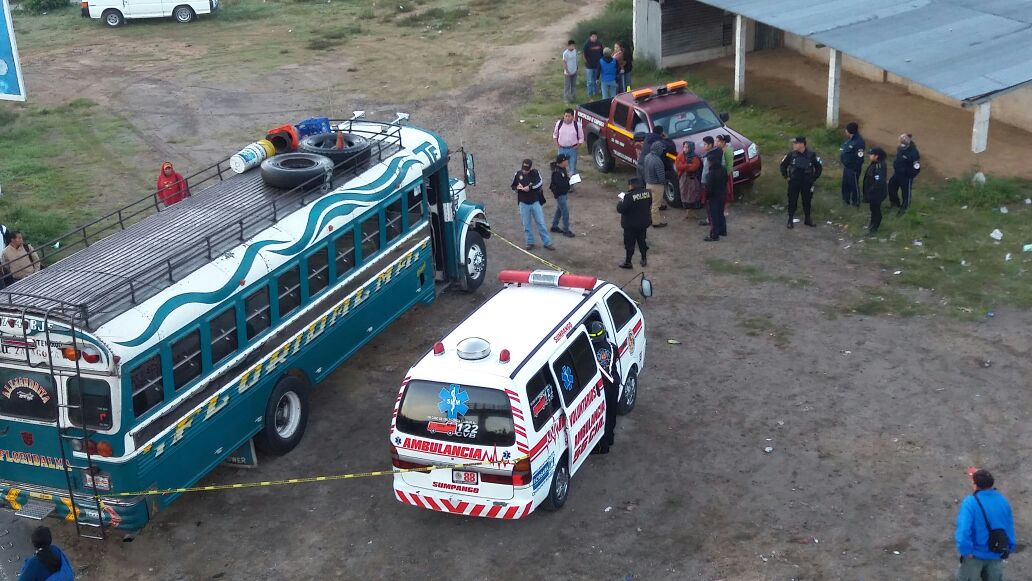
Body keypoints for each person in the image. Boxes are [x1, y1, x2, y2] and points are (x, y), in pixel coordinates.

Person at [955, 468, 1015, 581]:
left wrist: (966, 550)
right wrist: (1009, 547)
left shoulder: (970, 502)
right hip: (996, 553)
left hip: (975, 555)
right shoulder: (1003, 501)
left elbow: (964, 530)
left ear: (976, 485)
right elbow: (1009, 527)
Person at [588, 321, 619, 454]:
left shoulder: (589, 352)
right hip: (614, 384)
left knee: (602, 417)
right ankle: (610, 438)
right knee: (611, 413)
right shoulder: (612, 347)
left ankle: (603, 446)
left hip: (601, 389)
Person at [778, 136, 823, 229]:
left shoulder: (811, 155)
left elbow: (818, 167)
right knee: (792, 200)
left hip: (807, 182)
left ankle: (807, 219)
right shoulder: (791, 155)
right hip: (794, 181)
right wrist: (786, 176)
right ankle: (790, 220)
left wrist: (814, 178)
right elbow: (783, 165)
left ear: (802, 144)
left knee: (807, 201)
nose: (793, 145)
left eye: (796, 143)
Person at [510, 159, 555, 251]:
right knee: (526, 224)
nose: (524, 171)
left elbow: (539, 183)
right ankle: (529, 242)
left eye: (526, 169)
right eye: (523, 169)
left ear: (530, 168)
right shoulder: (518, 174)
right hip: (523, 203)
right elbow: (513, 186)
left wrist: (530, 187)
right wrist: (517, 188)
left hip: (535, 201)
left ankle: (547, 242)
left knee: (541, 223)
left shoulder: (535, 173)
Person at [617, 177, 651, 268]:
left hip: (630, 225)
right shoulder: (648, 193)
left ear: (632, 185)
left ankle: (628, 262)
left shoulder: (629, 196)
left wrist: (621, 200)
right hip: (643, 223)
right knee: (642, 241)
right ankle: (644, 259)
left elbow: (620, 209)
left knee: (629, 244)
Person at [888, 133, 921, 213]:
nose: (901, 146)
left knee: (906, 193)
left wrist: (909, 175)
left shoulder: (914, 153)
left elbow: (917, 168)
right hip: (897, 174)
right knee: (891, 187)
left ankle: (904, 209)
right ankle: (895, 203)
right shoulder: (900, 148)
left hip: (906, 176)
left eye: (903, 144)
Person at [702, 139, 728, 241]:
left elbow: (709, 188)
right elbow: (726, 180)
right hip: (722, 194)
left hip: (713, 197)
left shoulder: (710, 174)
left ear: (710, 162)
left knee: (713, 216)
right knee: (721, 213)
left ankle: (714, 235)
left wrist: (707, 197)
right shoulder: (723, 170)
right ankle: (723, 230)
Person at [642, 140, 668, 228]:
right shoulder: (658, 161)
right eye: (661, 149)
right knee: (655, 205)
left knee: (650, 203)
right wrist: (664, 183)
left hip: (648, 183)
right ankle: (656, 222)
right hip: (657, 185)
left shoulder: (647, 157)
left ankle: (650, 218)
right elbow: (661, 176)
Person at [839, 122, 865, 207]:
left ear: (849, 131)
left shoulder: (859, 142)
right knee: (845, 185)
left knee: (853, 185)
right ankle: (845, 201)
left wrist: (854, 168)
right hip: (847, 167)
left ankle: (856, 203)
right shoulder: (848, 140)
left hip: (853, 168)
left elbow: (860, 157)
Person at [548, 154, 575, 238]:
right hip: (560, 194)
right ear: (562, 162)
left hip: (563, 193)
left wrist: (567, 176)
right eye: (566, 160)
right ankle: (566, 230)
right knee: (565, 212)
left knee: (559, 210)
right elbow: (561, 184)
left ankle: (554, 226)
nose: (567, 161)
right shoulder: (557, 172)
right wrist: (569, 178)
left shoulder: (562, 169)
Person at [862, 147, 887, 234]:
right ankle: (872, 225)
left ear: (877, 156)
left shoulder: (879, 166)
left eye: (871, 154)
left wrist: (871, 191)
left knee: (876, 211)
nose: (869, 155)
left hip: (877, 193)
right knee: (873, 210)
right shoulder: (875, 163)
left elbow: (879, 182)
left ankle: (873, 229)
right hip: (874, 192)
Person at [553, 108, 583, 177]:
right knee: (560, 167)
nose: (567, 118)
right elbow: (555, 135)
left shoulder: (577, 125)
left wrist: (577, 146)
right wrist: (557, 144)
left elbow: (581, 138)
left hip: (572, 150)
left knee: (572, 169)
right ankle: (561, 184)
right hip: (561, 149)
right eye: (565, 116)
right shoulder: (559, 123)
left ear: (573, 117)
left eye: (569, 116)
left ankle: (571, 186)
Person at [675, 140, 703, 210]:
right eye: (684, 147)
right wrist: (687, 165)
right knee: (684, 191)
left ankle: (694, 205)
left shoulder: (695, 157)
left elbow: (694, 167)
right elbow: (678, 166)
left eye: (687, 147)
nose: (685, 149)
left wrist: (684, 166)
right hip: (683, 178)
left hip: (693, 178)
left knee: (693, 191)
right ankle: (686, 205)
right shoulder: (680, 155)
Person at [583, 32, 603, 99]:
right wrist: (587, 63)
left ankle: (596, 92)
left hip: (598, 65)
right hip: (589, 66)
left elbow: (602, 53)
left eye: (595, 36)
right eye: (593, 36)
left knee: (596, 80)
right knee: (590, 81)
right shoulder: (587, 45)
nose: (594, 38)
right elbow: (584, 55)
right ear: (590, 37)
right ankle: (590, 94)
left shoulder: (599, 43)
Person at [717, 133, 735, 204]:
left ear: (723, 142)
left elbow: (730, 164)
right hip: (721, 173)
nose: (716, 143)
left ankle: (727, 205)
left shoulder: (728, 150)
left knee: (727, 191)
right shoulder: (720, 149)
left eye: (718, 141)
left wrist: (726, 175)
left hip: (726, 174)